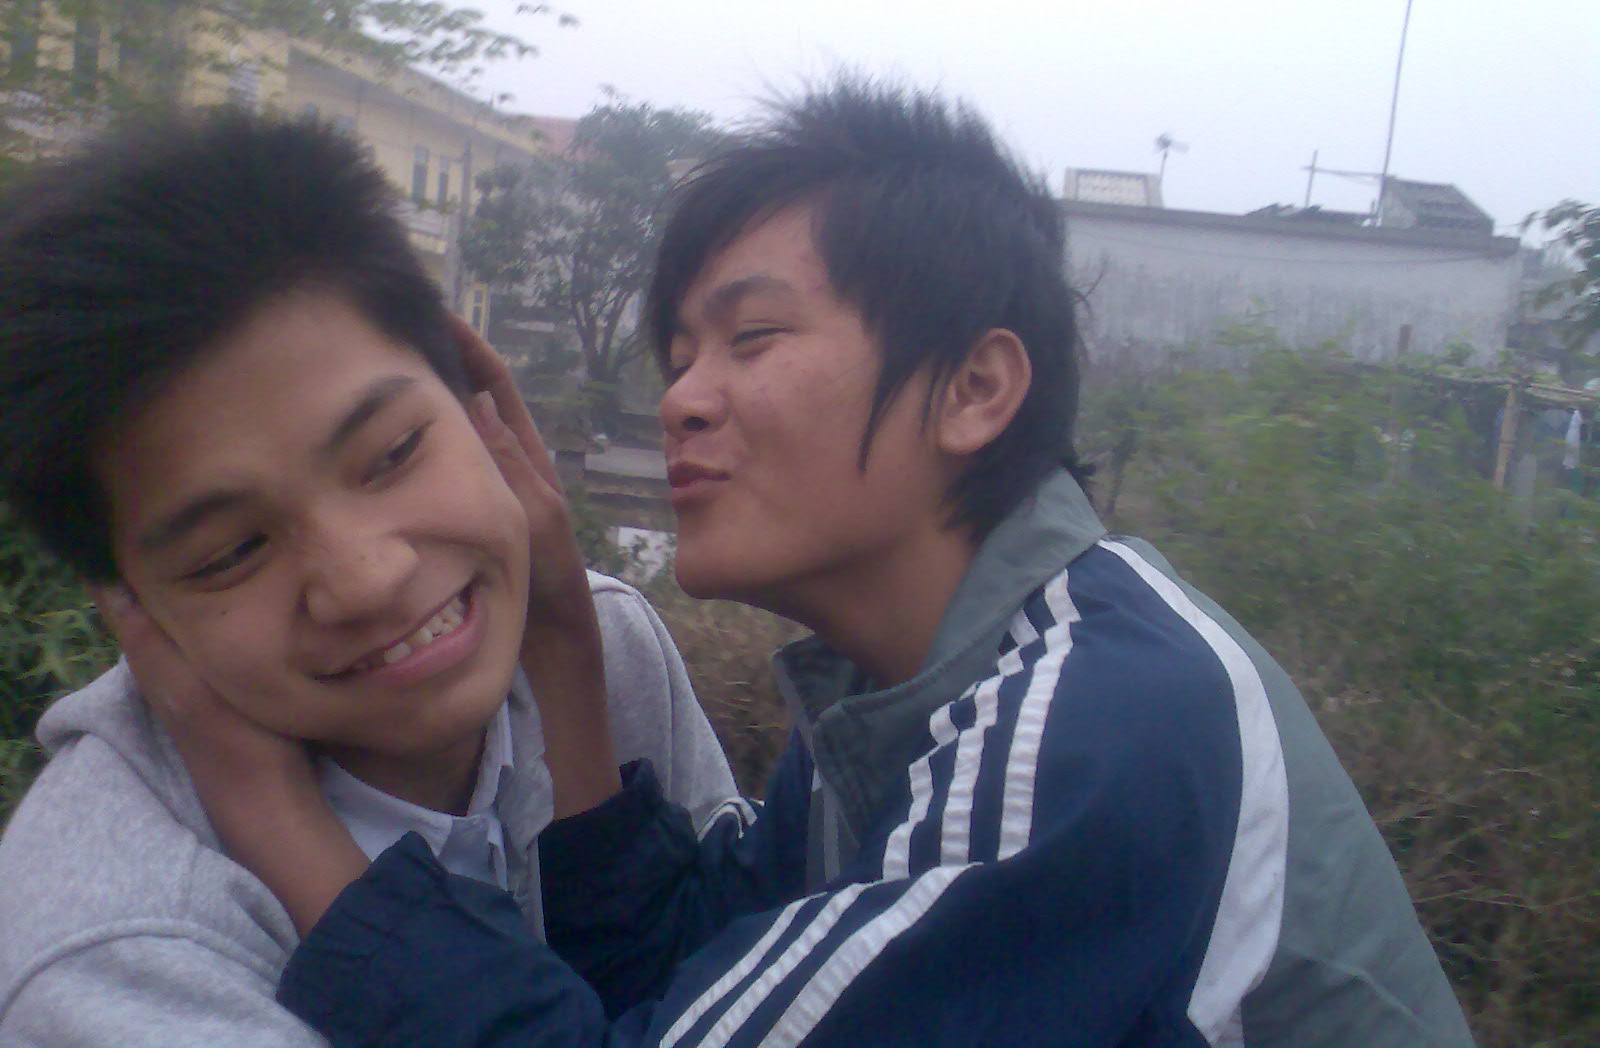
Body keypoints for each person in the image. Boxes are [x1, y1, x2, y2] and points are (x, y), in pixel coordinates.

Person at [121, 80, 1475, 1047]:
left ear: (974, 388)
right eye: (679, 358)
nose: (683, 400)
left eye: (751, 339)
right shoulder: (901, 704)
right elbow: (672, 983)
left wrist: (282, 826)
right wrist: (562, 639)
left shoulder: (1091, 727)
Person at [0, 111, 739, 1047]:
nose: (368, 579)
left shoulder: (604, 642)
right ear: (128, 603)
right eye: (231, 551)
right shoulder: (122, 963)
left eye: (392, 453)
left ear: (478, 406)